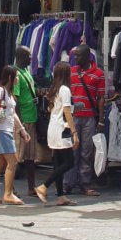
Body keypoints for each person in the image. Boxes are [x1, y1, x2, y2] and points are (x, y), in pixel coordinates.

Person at [35, 61, 78, 207]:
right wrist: (74, 132)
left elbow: (50, 109)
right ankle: (44, 186)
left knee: (58, 162)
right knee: (69, 162)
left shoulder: (54, 89)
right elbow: (67, 112)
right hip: (62, 128)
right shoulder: (65, 90)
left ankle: (61, 196)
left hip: (53, 127)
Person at [0, 65, 30, 205]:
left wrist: (21, 129)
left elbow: (13, 114)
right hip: (2, 131)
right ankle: (8, 193)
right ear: (10, 77)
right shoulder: (0, 91)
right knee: (12, 162)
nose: (17, 78)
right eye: (16, 76)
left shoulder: (9, 93)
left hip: (5, 130)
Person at [64, 43, 105, 196]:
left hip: (89, 118)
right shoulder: (71, 72)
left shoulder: (99, 74)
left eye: (78, 55)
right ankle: (68, 184)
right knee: (71, 151)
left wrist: (101, 120)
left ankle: (85, 184)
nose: (75, 58)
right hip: (73, 117)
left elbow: (101, 98)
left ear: (87, 56)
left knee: (86, 152)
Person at [12, 46, 39, 196]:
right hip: (22, 121)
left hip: (31, 118)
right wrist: (19, 124)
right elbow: (14, 100)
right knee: (16, 157)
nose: (31, 58)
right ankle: (11, 188)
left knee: (30, 157)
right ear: (22, 56)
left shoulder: (26, 71)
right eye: (29, 56)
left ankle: (31, 187)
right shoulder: (16, 74)